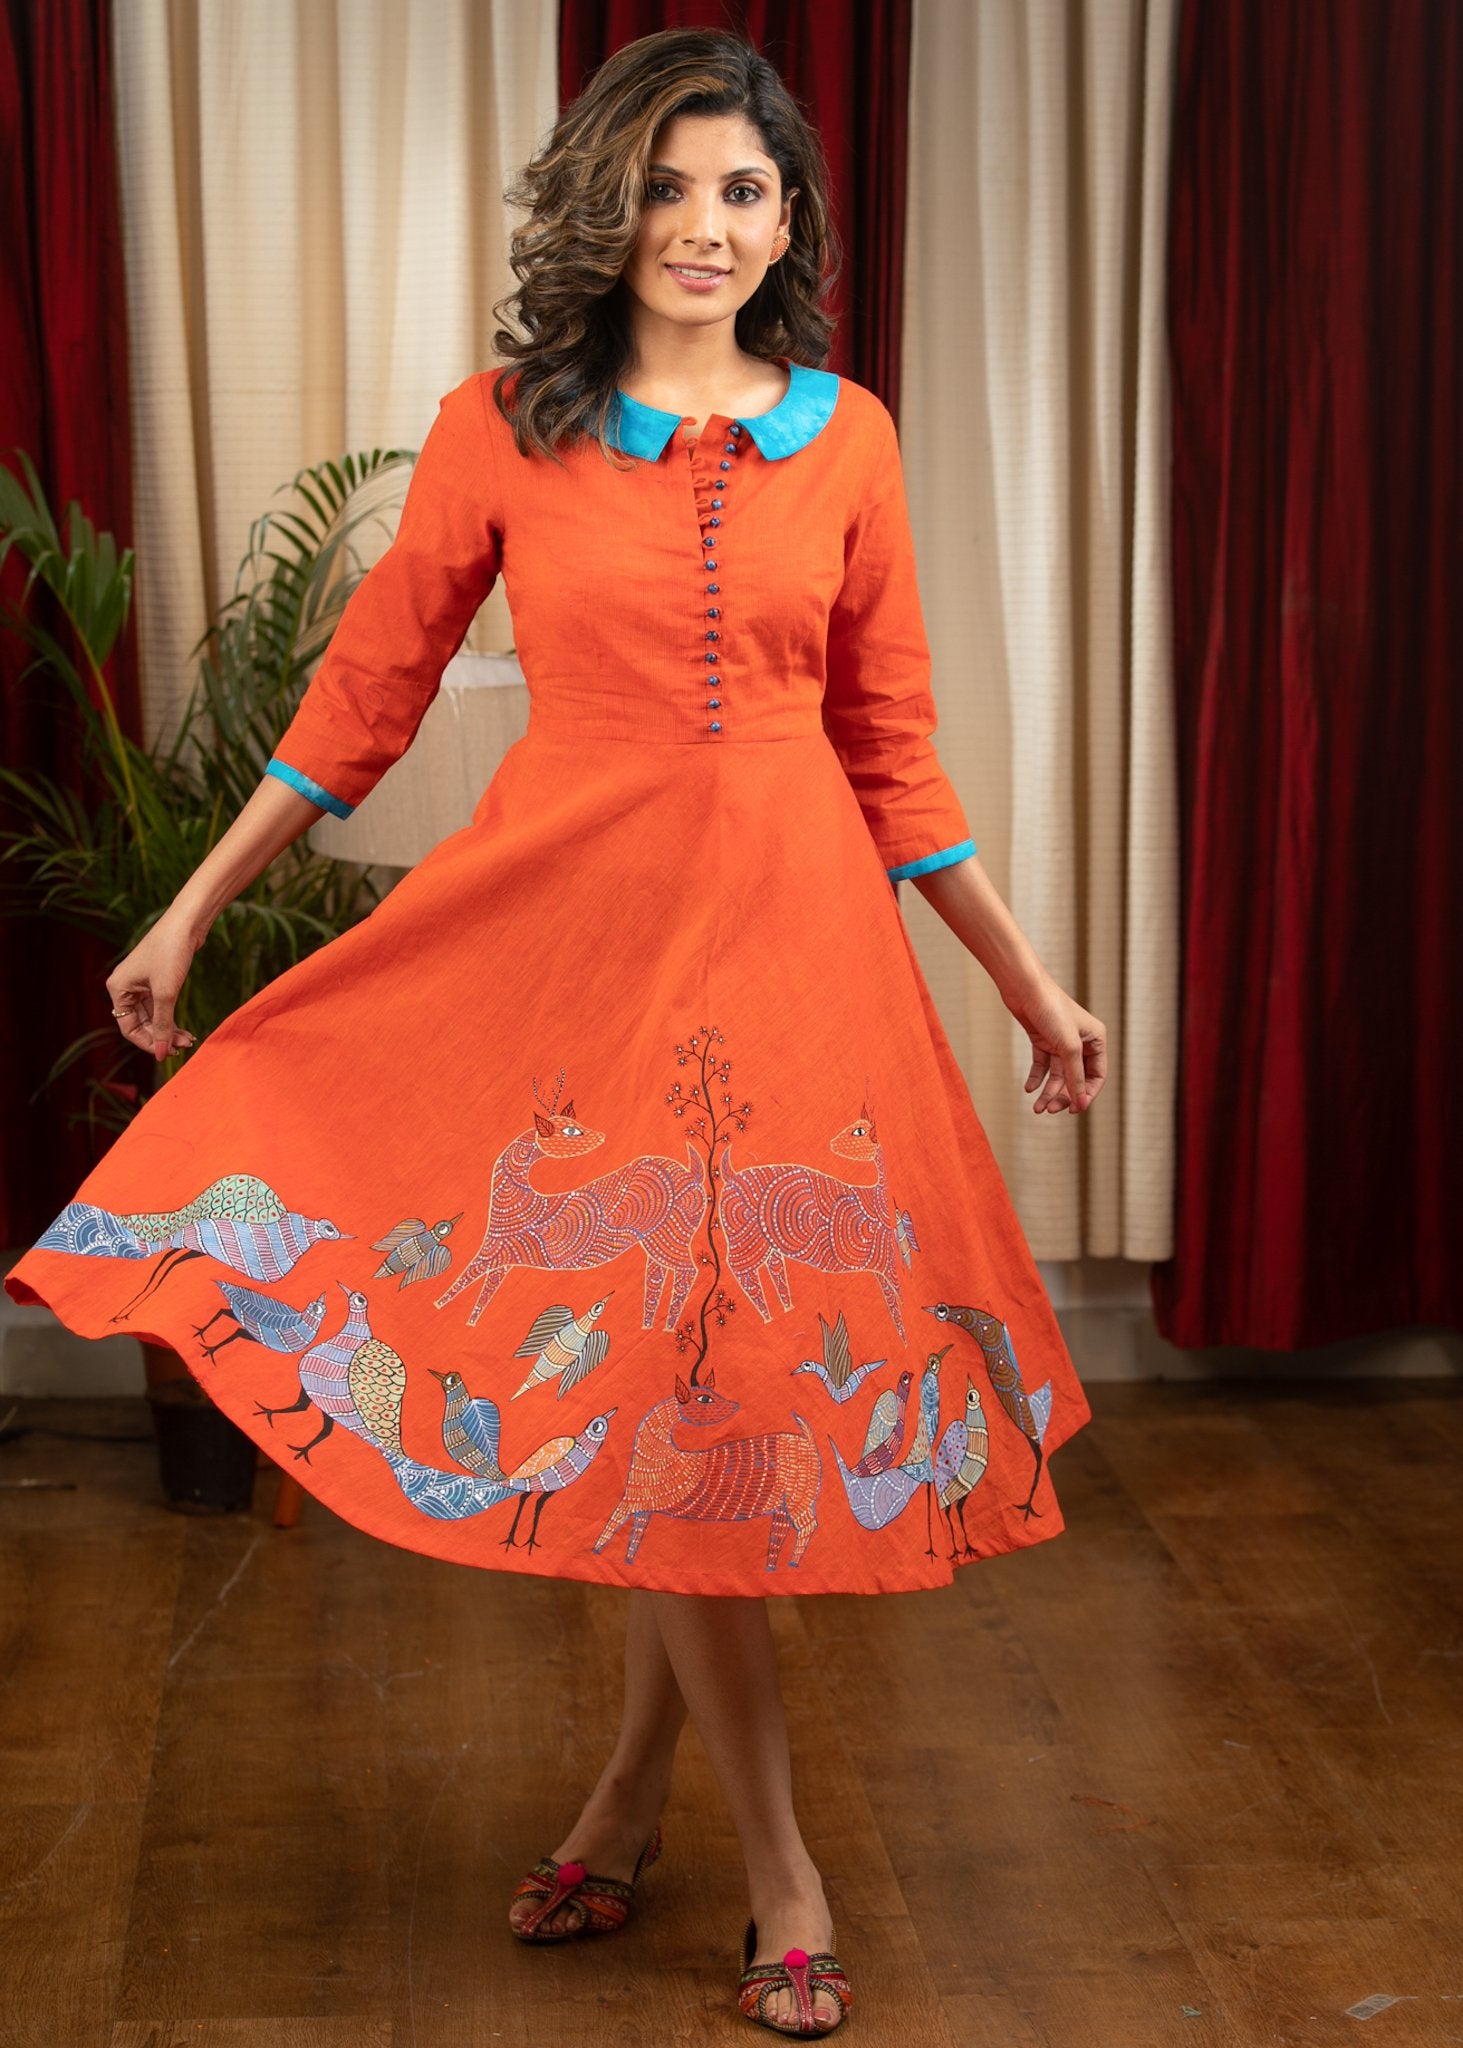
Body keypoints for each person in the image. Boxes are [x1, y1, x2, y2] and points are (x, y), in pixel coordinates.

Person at [5, 27, 1106, 2039]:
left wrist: (1030, 984)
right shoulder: (501, 426)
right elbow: (364, 698)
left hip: (792, 962)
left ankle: (627, 1800)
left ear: (790, 219)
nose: (705, 225)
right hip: (576, 953)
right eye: (668, 187)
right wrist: (190, 907)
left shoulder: (850, 438)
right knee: (663, 1400)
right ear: (607, 206)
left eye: (743, 190)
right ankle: (778, 1867)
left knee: (714, 1402)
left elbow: (893, 749)